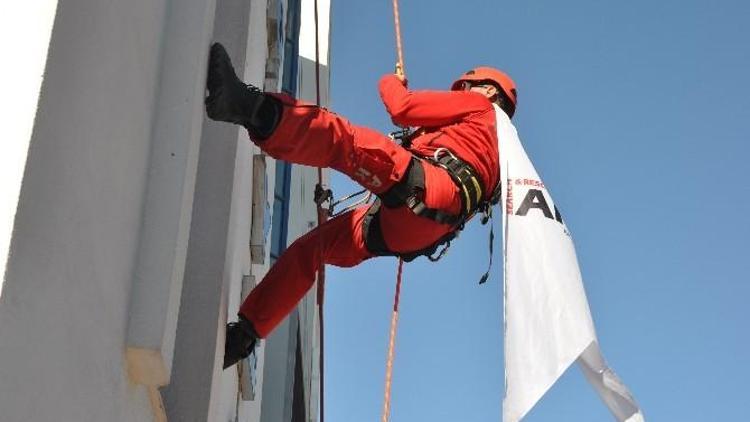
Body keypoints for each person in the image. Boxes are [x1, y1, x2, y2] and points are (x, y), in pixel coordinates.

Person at [205, 43, 517, 369]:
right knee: (312, 250)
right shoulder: (503, 154)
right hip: (419, 231)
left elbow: (402, 106)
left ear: (490, 94)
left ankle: (246, 106)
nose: (463, 92)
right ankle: (243, 337)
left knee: (343, 140)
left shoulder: (481, 109)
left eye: (468, 88)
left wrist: (392, 81)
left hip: (427, 188)